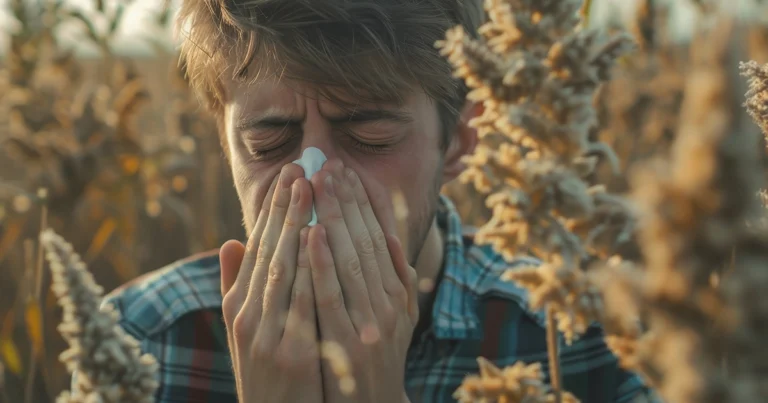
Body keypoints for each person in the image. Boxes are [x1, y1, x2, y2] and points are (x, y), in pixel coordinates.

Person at [98, 1, 657, 402]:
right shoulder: (144, 340)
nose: (313, 183)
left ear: (459, 143)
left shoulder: (578, 346)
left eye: (370, 138)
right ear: (226, 147)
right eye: (268, 144)